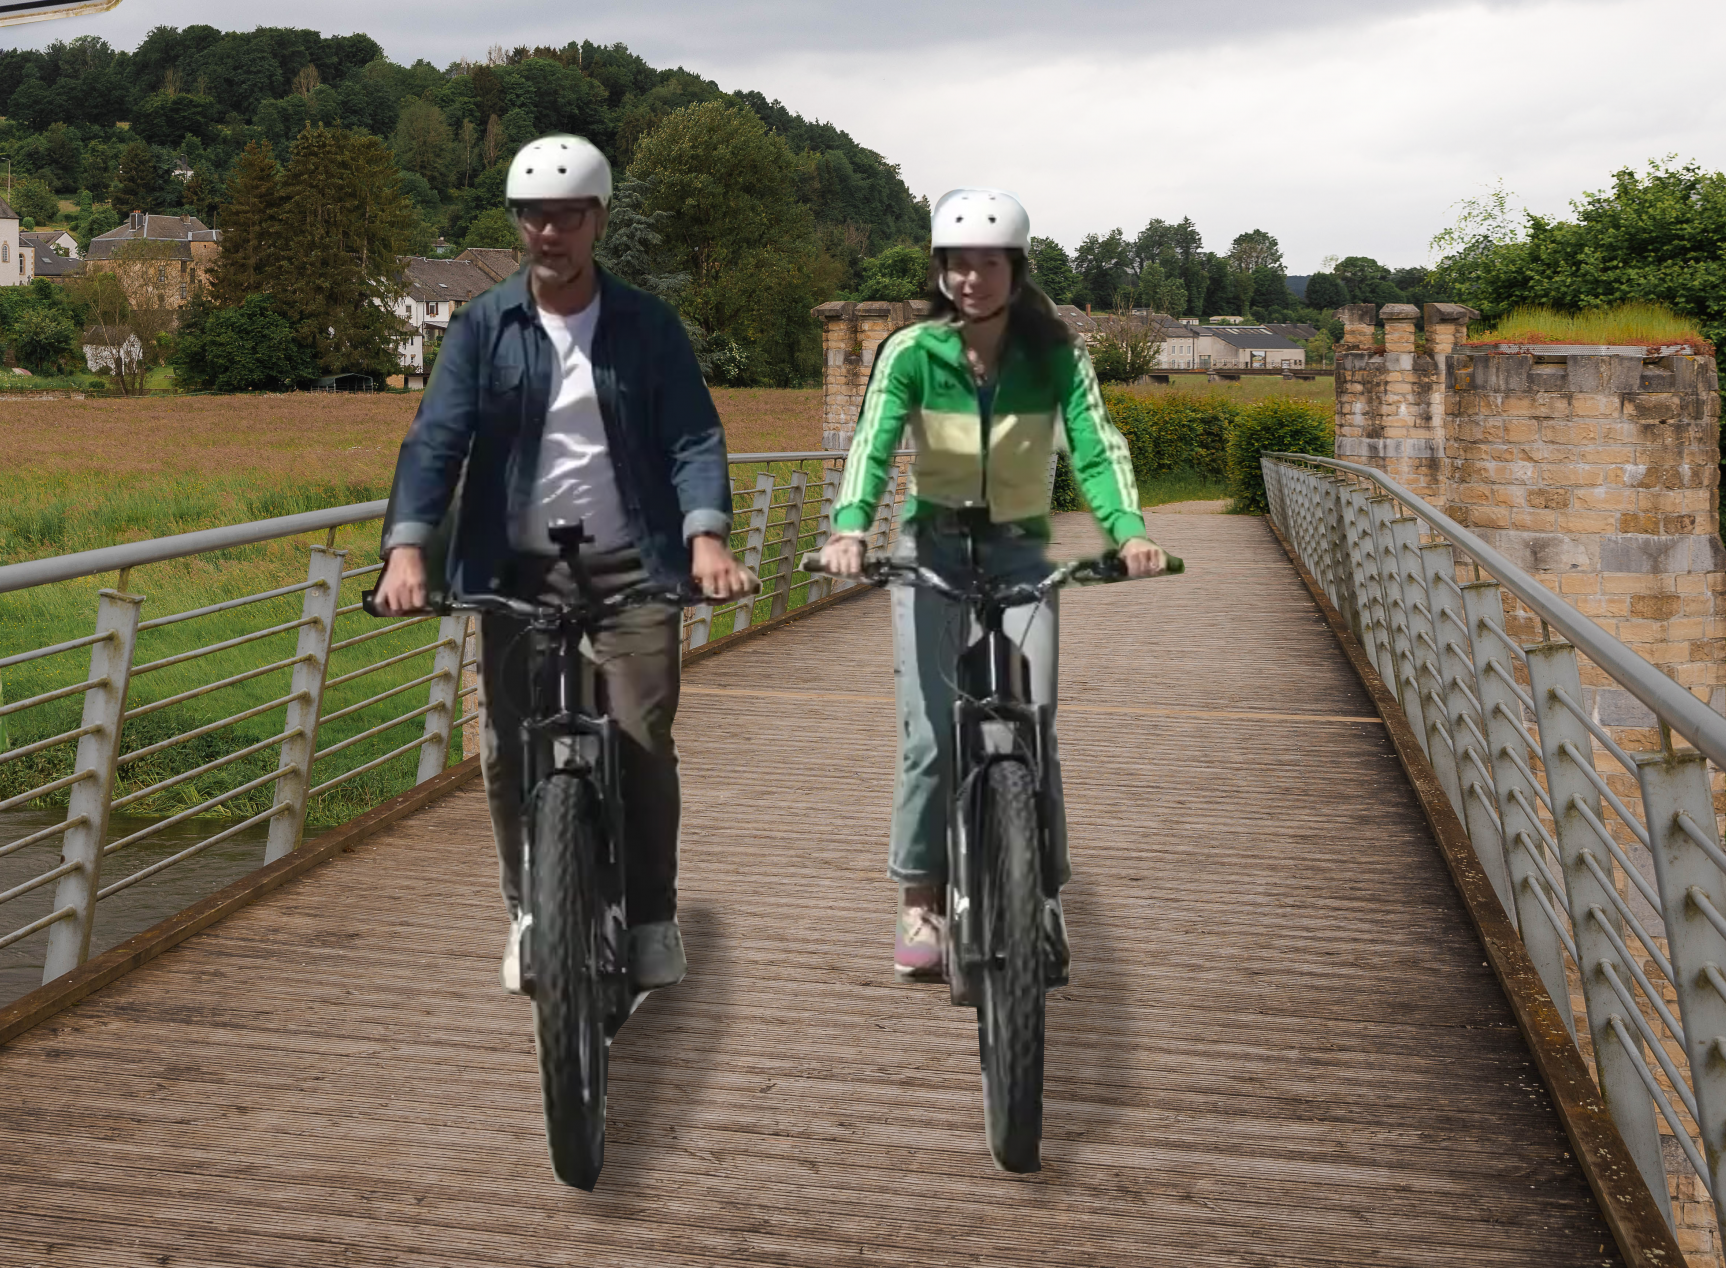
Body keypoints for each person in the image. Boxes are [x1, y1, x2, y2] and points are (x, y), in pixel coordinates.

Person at [372, 134, 758, 994]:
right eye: (536, 216)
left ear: (598, 221)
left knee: (643, 737)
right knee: (508, 747)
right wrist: (406, 548)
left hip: (633, 565)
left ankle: (653, 914)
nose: (552, 231)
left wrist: (706, 537)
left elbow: (693, 435)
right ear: (518, 225)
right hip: (515, 571)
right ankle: (529, 909)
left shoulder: (647, 328)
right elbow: (436, 439)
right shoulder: (482, 327)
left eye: (569, 215)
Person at [817, 187, 1165, 981]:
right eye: (957, 264)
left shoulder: (1057, 357)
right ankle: (921, 900)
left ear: (1015, 267)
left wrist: (1129, 529)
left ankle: (1041, 893)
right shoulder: (911, 354)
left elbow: (1096, 444)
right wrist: (848, 527)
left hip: (1017, 559)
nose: (971, 278)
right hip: (930, 554)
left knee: (1034, 722)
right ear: (940, 270)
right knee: (932, 735)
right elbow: (872, 442)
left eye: (988, 263)